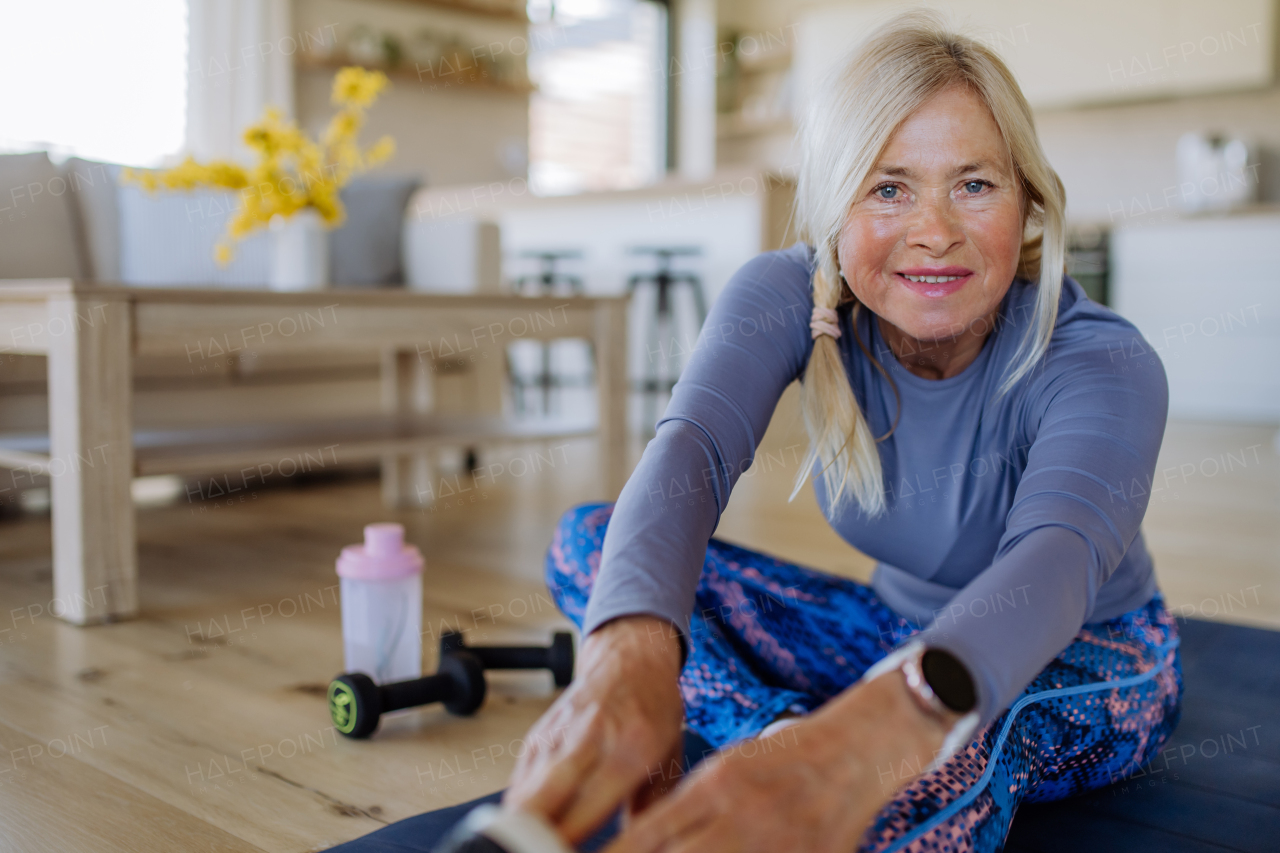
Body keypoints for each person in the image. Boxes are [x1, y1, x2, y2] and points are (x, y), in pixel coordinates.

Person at [504, 11, 1182, 853]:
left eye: (974, 183)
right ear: (834, 204)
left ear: (1030, 202)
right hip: (887, 635)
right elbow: (693, 456)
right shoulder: (787, 292)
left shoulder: (1105, 362)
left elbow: (1054, 563)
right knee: (592, 545)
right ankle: (775, 741)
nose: (934, 230)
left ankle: (814, 767)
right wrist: (628, 654)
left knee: (952, 752)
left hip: (1082, 659)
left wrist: (872, 737)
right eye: (888, 186)